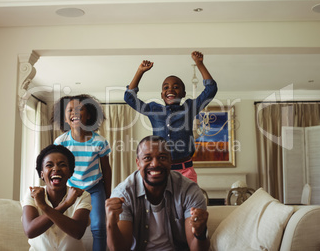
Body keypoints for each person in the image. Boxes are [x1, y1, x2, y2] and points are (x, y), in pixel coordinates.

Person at [124, 51, 218, 183]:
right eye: (166, 87)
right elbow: (129, 98)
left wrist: (199, 64)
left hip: (185, 171)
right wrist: (140, 71)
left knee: (191, 203)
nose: (171, 89)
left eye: (176, 87)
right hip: (161, 170)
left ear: (184, 93)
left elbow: (211, 90)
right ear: (162, 94)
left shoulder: (189, 108)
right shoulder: (153, 110)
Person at [106, 136, 210, 251]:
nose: (155, 164)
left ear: (170, 161)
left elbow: (197, 249)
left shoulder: (189, 190)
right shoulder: (123, 194)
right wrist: (111, 224)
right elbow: (120, 249)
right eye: (147, 158)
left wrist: (200, 233)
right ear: (138, 163)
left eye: (162, 157)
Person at [52, 94, 112, 251]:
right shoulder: (61, 142)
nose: (75, 113)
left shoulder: (99, 142)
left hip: (94, 188)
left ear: (89, 115)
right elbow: (56, 168)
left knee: (99, 227)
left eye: (80, 109)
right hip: (70, 188)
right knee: (63, 224)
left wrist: (107, 196)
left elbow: (106, 169)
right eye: (70, 110)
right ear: (65, 118)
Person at [22, 144, 91, 251]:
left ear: (70, 172)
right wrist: (66, 204)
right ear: (41, 174)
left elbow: (77, 232)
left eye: (62, 165)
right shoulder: (32, 194)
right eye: (49, 165)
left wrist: (44, 207)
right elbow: (30, 231)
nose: (56, 169)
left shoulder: (82, 195)